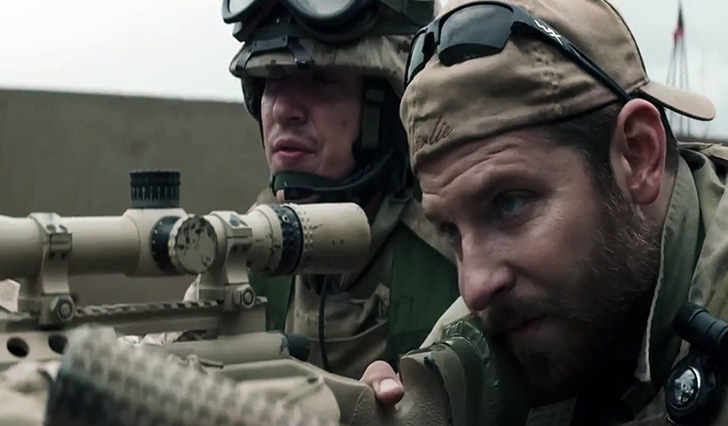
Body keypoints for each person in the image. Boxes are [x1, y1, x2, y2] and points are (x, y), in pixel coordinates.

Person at [362, 0, 728, 424]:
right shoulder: (487, 334)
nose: (474, 288)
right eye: (451, 231)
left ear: (638, 155)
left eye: (509, 203)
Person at [134, 0, 460, 381]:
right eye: (271, 81)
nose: (282, 110)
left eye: (322, 80)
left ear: (386, 106)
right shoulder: (251, 250)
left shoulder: (458, 253)